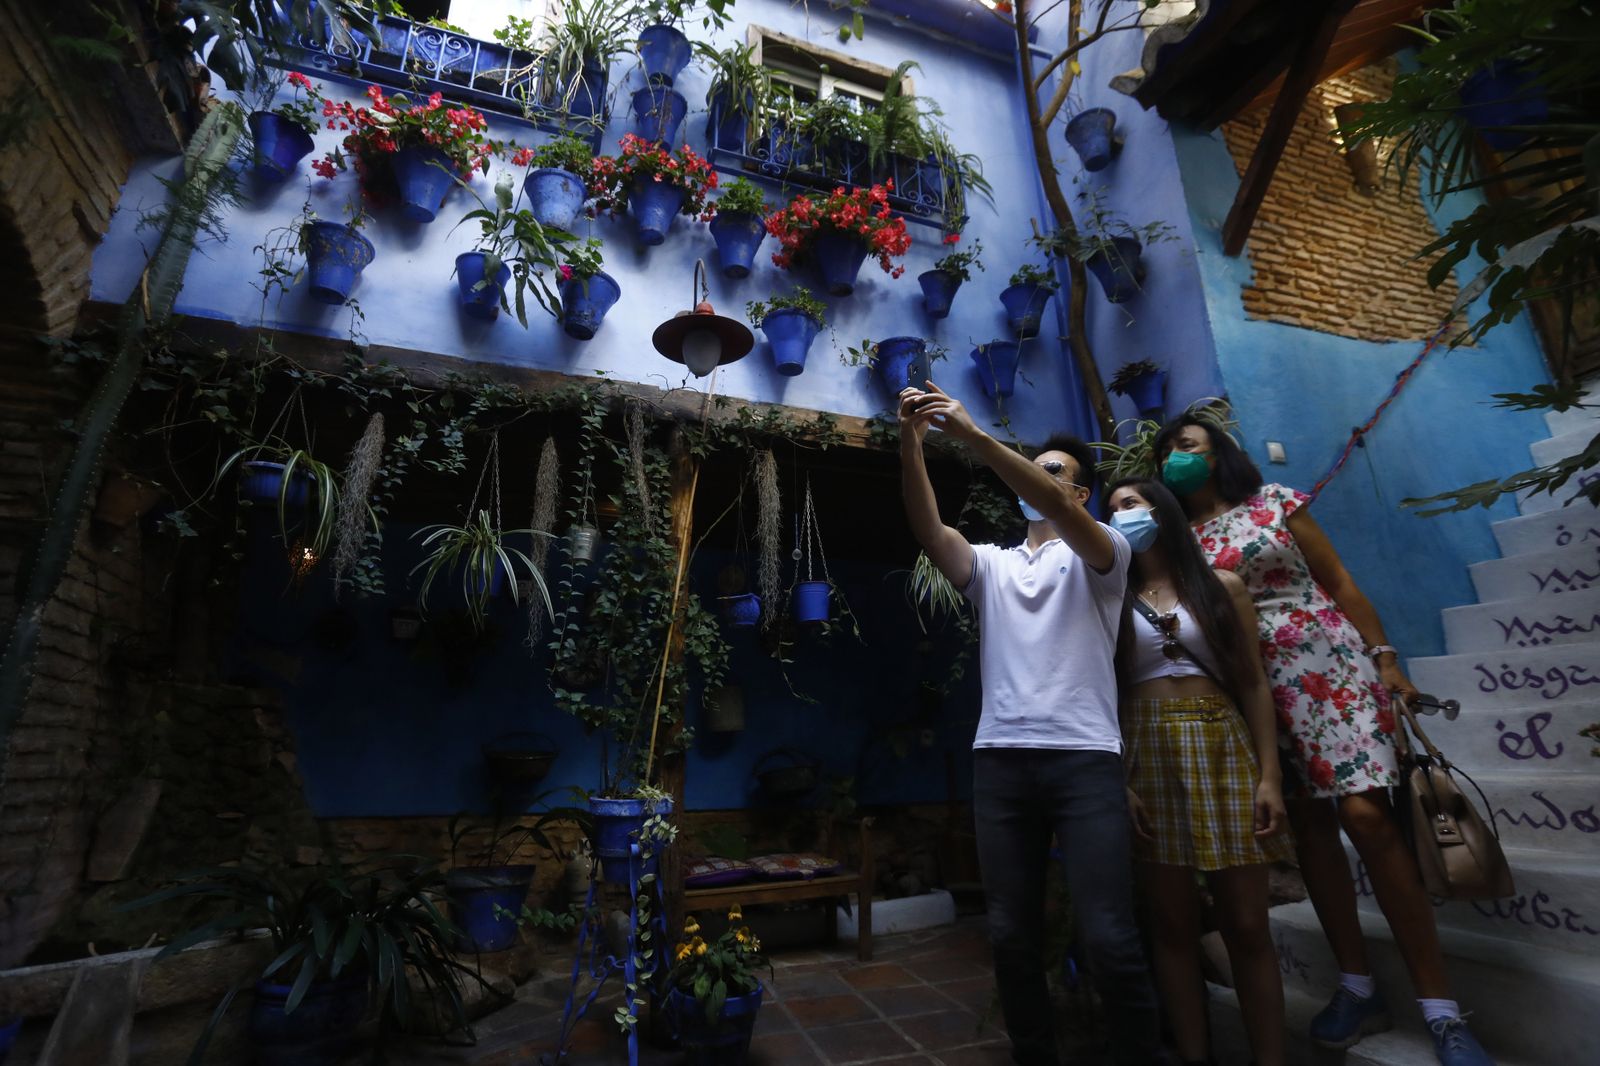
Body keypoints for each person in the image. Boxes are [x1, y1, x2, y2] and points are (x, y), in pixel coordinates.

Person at [1153, 415, 1494, 1066]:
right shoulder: (1178, 543)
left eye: (1187, 445)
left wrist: (1386, 659)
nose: (1176, 456)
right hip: (1251, 688)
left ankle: (1442, 1010)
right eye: (1167, 449)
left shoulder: (1276, 504)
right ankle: (1358, 985)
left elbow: (1338, 582)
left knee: (1367, 818)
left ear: (1217, 453)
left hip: (1329, 668)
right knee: (1309, 832)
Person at [898, 382, 1164, 1066]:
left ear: (1080, 497)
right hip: (1002, 763)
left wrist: (978, 439)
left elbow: (1048, 501)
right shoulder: (992, 565)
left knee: (1109, 935)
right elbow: (930, 531)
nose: (1042, 482)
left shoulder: (1105, 556)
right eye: (1038, 468)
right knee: (1012, 935)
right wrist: (911, 440)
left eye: (1058, 474)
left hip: (1084, 762)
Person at [1105, 477, 1291, 1066]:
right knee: (1172, 926)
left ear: (1162, 510)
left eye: (1131, 503)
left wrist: (1270, 776)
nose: (1121, 515)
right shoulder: (1108, 596)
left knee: (1246, 924)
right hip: (1146, 747)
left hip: (1221, 744)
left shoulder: (1222, 587)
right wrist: (1118, 779)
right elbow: (1099, 691)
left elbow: (1254, 683)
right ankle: (1193, 1055)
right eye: (1111, 510)